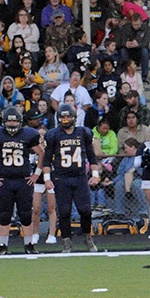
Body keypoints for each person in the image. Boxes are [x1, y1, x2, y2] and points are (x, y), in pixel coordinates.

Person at [0, 105, 44, 254]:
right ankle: (3, 246)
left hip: (23, 180)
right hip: (4, 180)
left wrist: (36, 173)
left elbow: (41, 153)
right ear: (4, 121)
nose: (12, 124)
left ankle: (29, 244)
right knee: (4, 214)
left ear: (20, 121)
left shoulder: (28, 134)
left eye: (14, 121)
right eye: (9, 121)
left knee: (25, 213)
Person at [43, 103, 100, 253]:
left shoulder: (83, 133)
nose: (66, 119)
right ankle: (67, 242)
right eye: (63, 116)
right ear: (58, 118)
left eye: (68, 116)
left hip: (80, 177)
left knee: (85, 210)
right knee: (65, 212)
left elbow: (92, 156)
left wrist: (95, 174)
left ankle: (87, 237)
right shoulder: (54, 135)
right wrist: (47, 178)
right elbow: (47, 159)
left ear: (74, 118)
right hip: (61, 178)